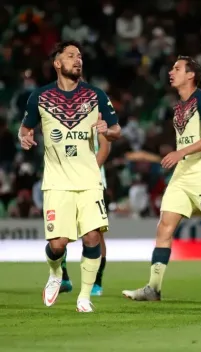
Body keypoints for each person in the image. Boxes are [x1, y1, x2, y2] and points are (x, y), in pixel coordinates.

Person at [122, 56, 201, 301]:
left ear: (190, 75)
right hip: (181, 175)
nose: (171, 72)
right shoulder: (178, 105)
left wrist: (180, 152)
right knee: (164, 228)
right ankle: (153, 288)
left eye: (177, 69)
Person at [18, 40, 121, 312]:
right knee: (57, 245)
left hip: (89, 181)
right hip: (57, 182)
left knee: (92, 238)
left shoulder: (96, 95)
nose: (78, 60)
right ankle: (56, 274)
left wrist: (107, 130)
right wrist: (25, 138)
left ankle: (85, 296)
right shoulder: (39, 97)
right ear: (57, 63)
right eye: (71, 56)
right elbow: (25, 129)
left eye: (80, 56)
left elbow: (116, 130)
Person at [60, 125, 111, 296]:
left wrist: (87, 173)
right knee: (61, 230)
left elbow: (104, 147)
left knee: (95, 232)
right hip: (66, 183)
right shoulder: (66, 117)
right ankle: (63, 277)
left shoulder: (98, 117)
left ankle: (97, 281)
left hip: (93, 183)